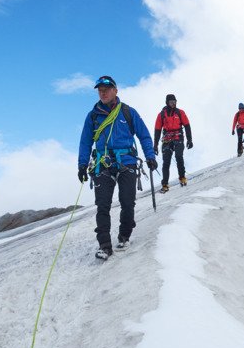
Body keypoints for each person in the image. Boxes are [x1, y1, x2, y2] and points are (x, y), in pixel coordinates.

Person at [77, 75, 156, 260]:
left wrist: (150, 156)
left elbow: (144, 135)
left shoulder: (128, 112)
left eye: (106, 89)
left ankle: (124, 236)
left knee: (127, 202)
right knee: (102, 205)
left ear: (115, 90)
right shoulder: (93, 116)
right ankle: (104, 246)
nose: (103, 93)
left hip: (126, 161)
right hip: (102, 164)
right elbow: (85, 142)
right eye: (100, 90)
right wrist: (82, 164)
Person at [153, 93, 193, 192]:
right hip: (167, 139)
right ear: (167, 102)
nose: (173, 104)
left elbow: (187, 126)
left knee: (179, 156)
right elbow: (157, 130)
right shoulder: (161, 115)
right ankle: (165, 184)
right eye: (171, 102)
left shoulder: (180, 112)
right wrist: (155, 145)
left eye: (174, 102)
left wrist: (189, 140)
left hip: (178, 137)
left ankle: (182, 177)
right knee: (166, 161)